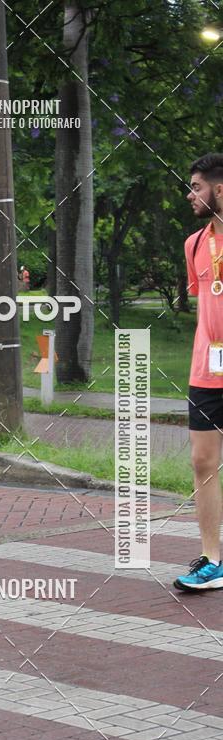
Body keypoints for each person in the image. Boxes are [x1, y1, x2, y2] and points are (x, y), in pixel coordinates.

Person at [175, 153, 223, 591]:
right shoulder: (194, 244)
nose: (190, 195)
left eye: (196, 187)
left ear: (219, 189)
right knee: (203, 461)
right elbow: (204, 305)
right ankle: (213, 560)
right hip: (206, 372)